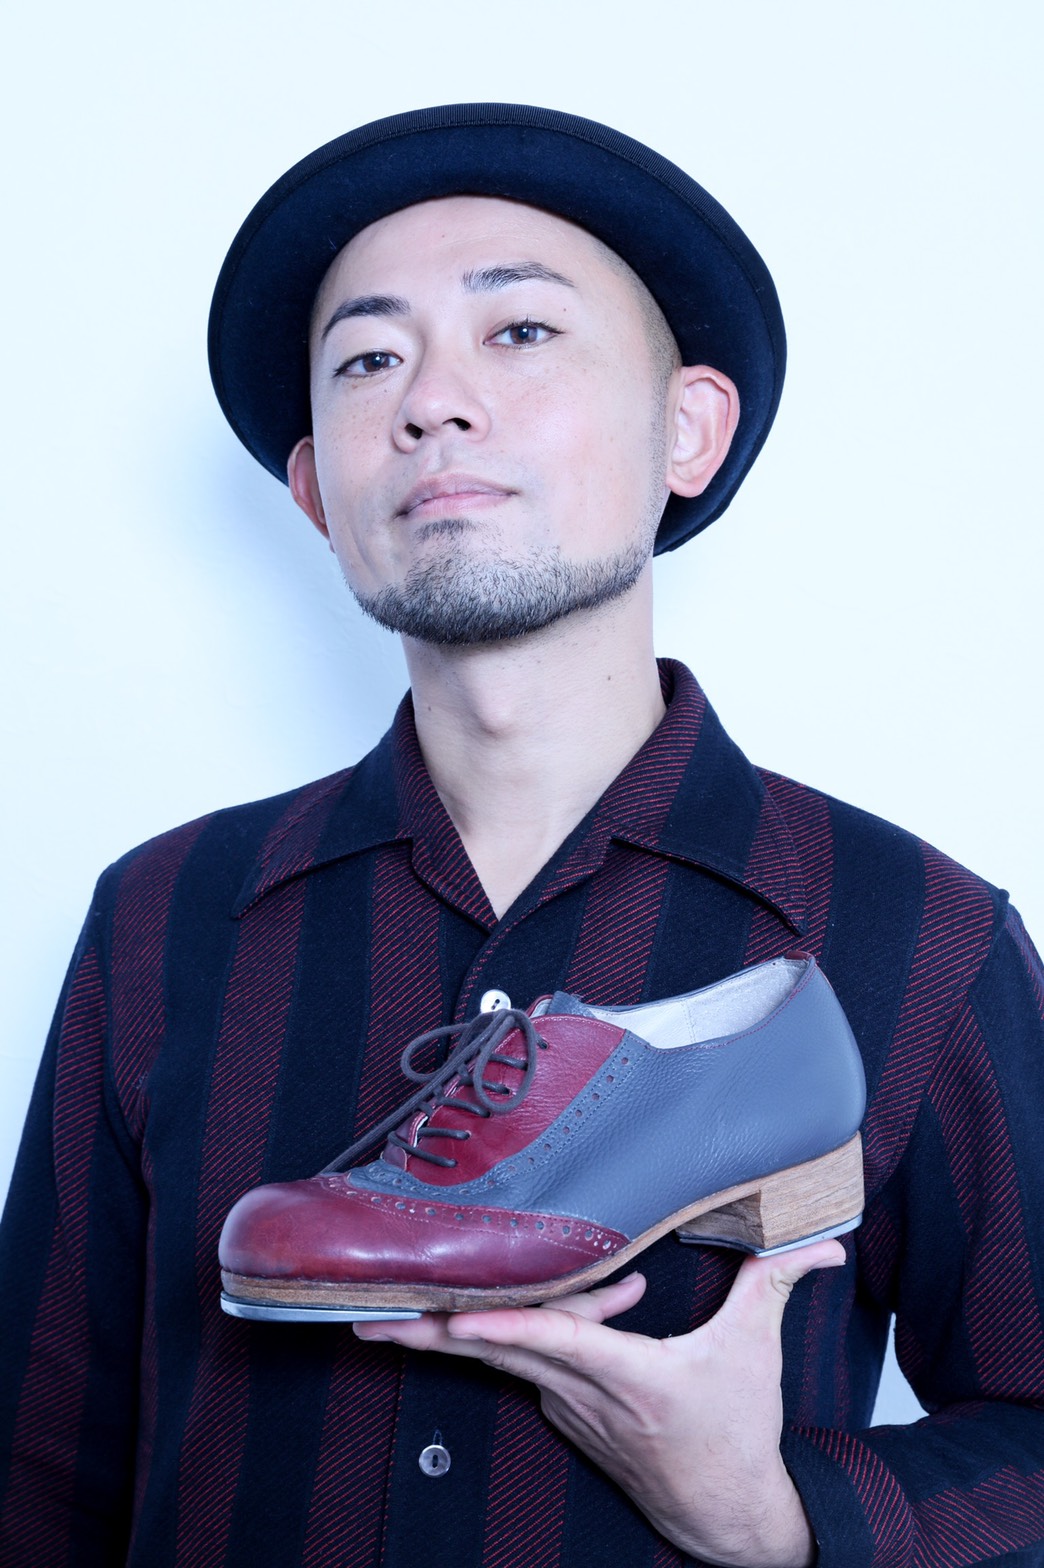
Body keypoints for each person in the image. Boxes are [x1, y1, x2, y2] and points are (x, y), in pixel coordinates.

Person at [1, 102, 1042, 1568]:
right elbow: (35, 1473)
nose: (432, 402)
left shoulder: (916, 931)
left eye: (522, 332)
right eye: (370, 360)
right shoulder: (164, 914)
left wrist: (777, 1516)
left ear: (687, 431)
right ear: (316, 490)